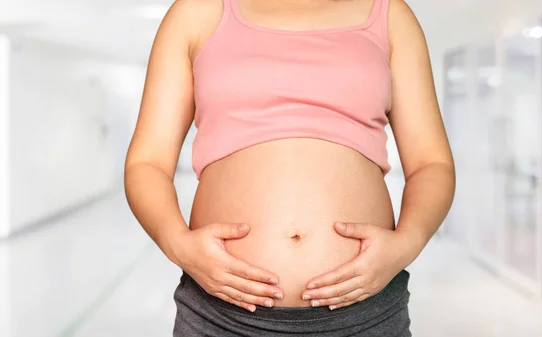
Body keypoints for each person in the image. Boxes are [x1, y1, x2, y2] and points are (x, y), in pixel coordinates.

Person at [124, 0, 455, 335]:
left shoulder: (389, 14)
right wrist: (177, 243)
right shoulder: (197, 11)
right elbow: (147, 162)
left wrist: (407, 243)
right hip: (222, 316)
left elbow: (431, 163)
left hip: (364, 315)